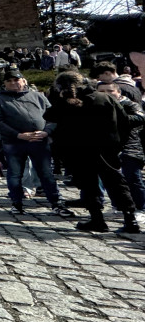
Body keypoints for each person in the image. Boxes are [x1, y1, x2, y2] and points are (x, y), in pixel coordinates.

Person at [45, 72, 138, 233]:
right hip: (107, 149)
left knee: (89, 186)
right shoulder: (104, 98)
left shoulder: (65, 103)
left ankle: (97, 219)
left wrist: (59, 97)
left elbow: (50, 117)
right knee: (117, 184)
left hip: (79, 151)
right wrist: (117, 144)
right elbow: (124, 121)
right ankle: (130, 220)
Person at [0, 68, 75, 216]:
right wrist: (18, 135)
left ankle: (56, 203)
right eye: (9, 81)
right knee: (15, 174)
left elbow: (53, 116)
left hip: (39, 141)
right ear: (4, 84)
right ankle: (17, 203)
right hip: (14, 142)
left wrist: (46, 131)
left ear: (23, 80)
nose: (13, 83)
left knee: (46, 173)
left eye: (16, 80)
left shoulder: (38, 96)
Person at [97, 81, 145, 218]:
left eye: (110, 91)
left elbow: (140, 118)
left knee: (133, 179)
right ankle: (118, 206)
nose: (106, 94)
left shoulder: (129, 105)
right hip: (107, 148)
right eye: (102, 91)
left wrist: (114, 119)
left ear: (118, 93)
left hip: (130, 147)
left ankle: (141, 208)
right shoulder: (97, 105)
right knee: (111, 180)